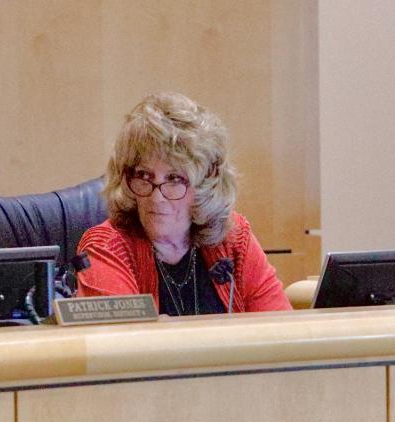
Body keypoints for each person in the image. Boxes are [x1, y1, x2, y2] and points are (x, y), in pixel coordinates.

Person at [77, 92, 291, 314]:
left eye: (174, 179)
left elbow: (280, 329)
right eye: (144, 176)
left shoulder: (233, 239)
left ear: (205, 184)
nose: (157, 197)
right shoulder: (106, 247)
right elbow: (126, 344)